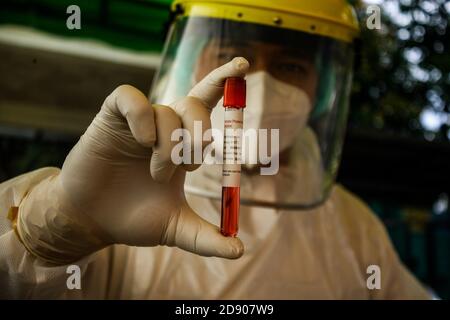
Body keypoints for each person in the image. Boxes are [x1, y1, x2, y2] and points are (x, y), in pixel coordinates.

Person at [0, 0, 431, 299]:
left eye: (290, 65)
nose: (257, 85)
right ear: (191, 65)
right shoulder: (119, 195)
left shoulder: (355, 227)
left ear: (323, 88)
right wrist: (53, 231)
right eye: (231, 55)